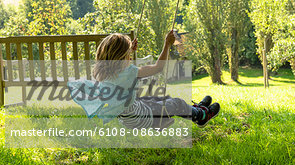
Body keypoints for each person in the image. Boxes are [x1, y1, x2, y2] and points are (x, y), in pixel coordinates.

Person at [68, 30, 220, 129]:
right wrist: (167, 45)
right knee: (176, 103)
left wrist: (129, 51)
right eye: (128, 55)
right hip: (141, 119)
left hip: (129, 117)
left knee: (163, 99)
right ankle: (201, 116)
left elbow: (123, 69)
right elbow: (158, 67)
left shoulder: (102, 73)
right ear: (124, 56)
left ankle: (195, 109)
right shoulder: (130, 71)